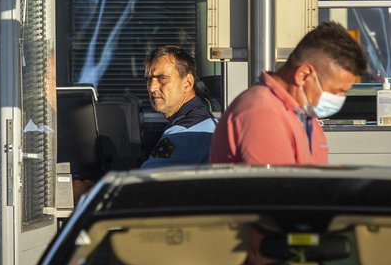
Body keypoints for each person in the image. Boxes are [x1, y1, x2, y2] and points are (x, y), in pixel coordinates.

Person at [210, 21, 368, 165]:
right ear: (303, 75)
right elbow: (278, 191)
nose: (340, 98)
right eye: (336, 91)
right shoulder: (262, 112)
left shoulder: (303, 115)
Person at [141, 45, 217, 169]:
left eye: (162, 78)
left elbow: (145, 179)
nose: (152, 87)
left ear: (187, 83)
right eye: (149, 80)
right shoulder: (204, 120)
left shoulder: (181, 134)